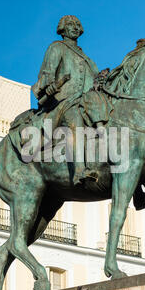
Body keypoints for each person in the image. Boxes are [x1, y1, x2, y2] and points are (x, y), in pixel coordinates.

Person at [32, 15, 102, 185]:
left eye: (78, 25)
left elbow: (95, 81)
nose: (75, 27)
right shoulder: (57, 48)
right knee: (75, 120)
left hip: (87, 103)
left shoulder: (86, 58)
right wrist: (48, 86)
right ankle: (79, 171)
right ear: (62, 29)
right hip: (63, 103)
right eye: (70, 24)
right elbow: (47, 73)